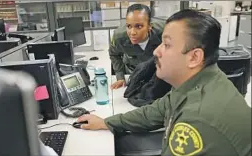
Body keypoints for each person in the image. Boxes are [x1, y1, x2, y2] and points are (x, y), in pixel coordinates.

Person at [77, 9, 251, 155]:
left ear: (194, 57)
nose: (156, 52)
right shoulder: (198, 81)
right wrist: (106, 122)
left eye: (166, 45)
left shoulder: (198, 119)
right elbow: (155, 112)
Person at [110, 4, 164, 89]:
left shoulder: (164, 33)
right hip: (133, 71)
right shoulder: (119, 37)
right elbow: (114, 54)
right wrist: (120, 77)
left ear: (150, 26)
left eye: (139, 26)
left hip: (158, 71)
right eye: (129, 26)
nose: (132, 32)